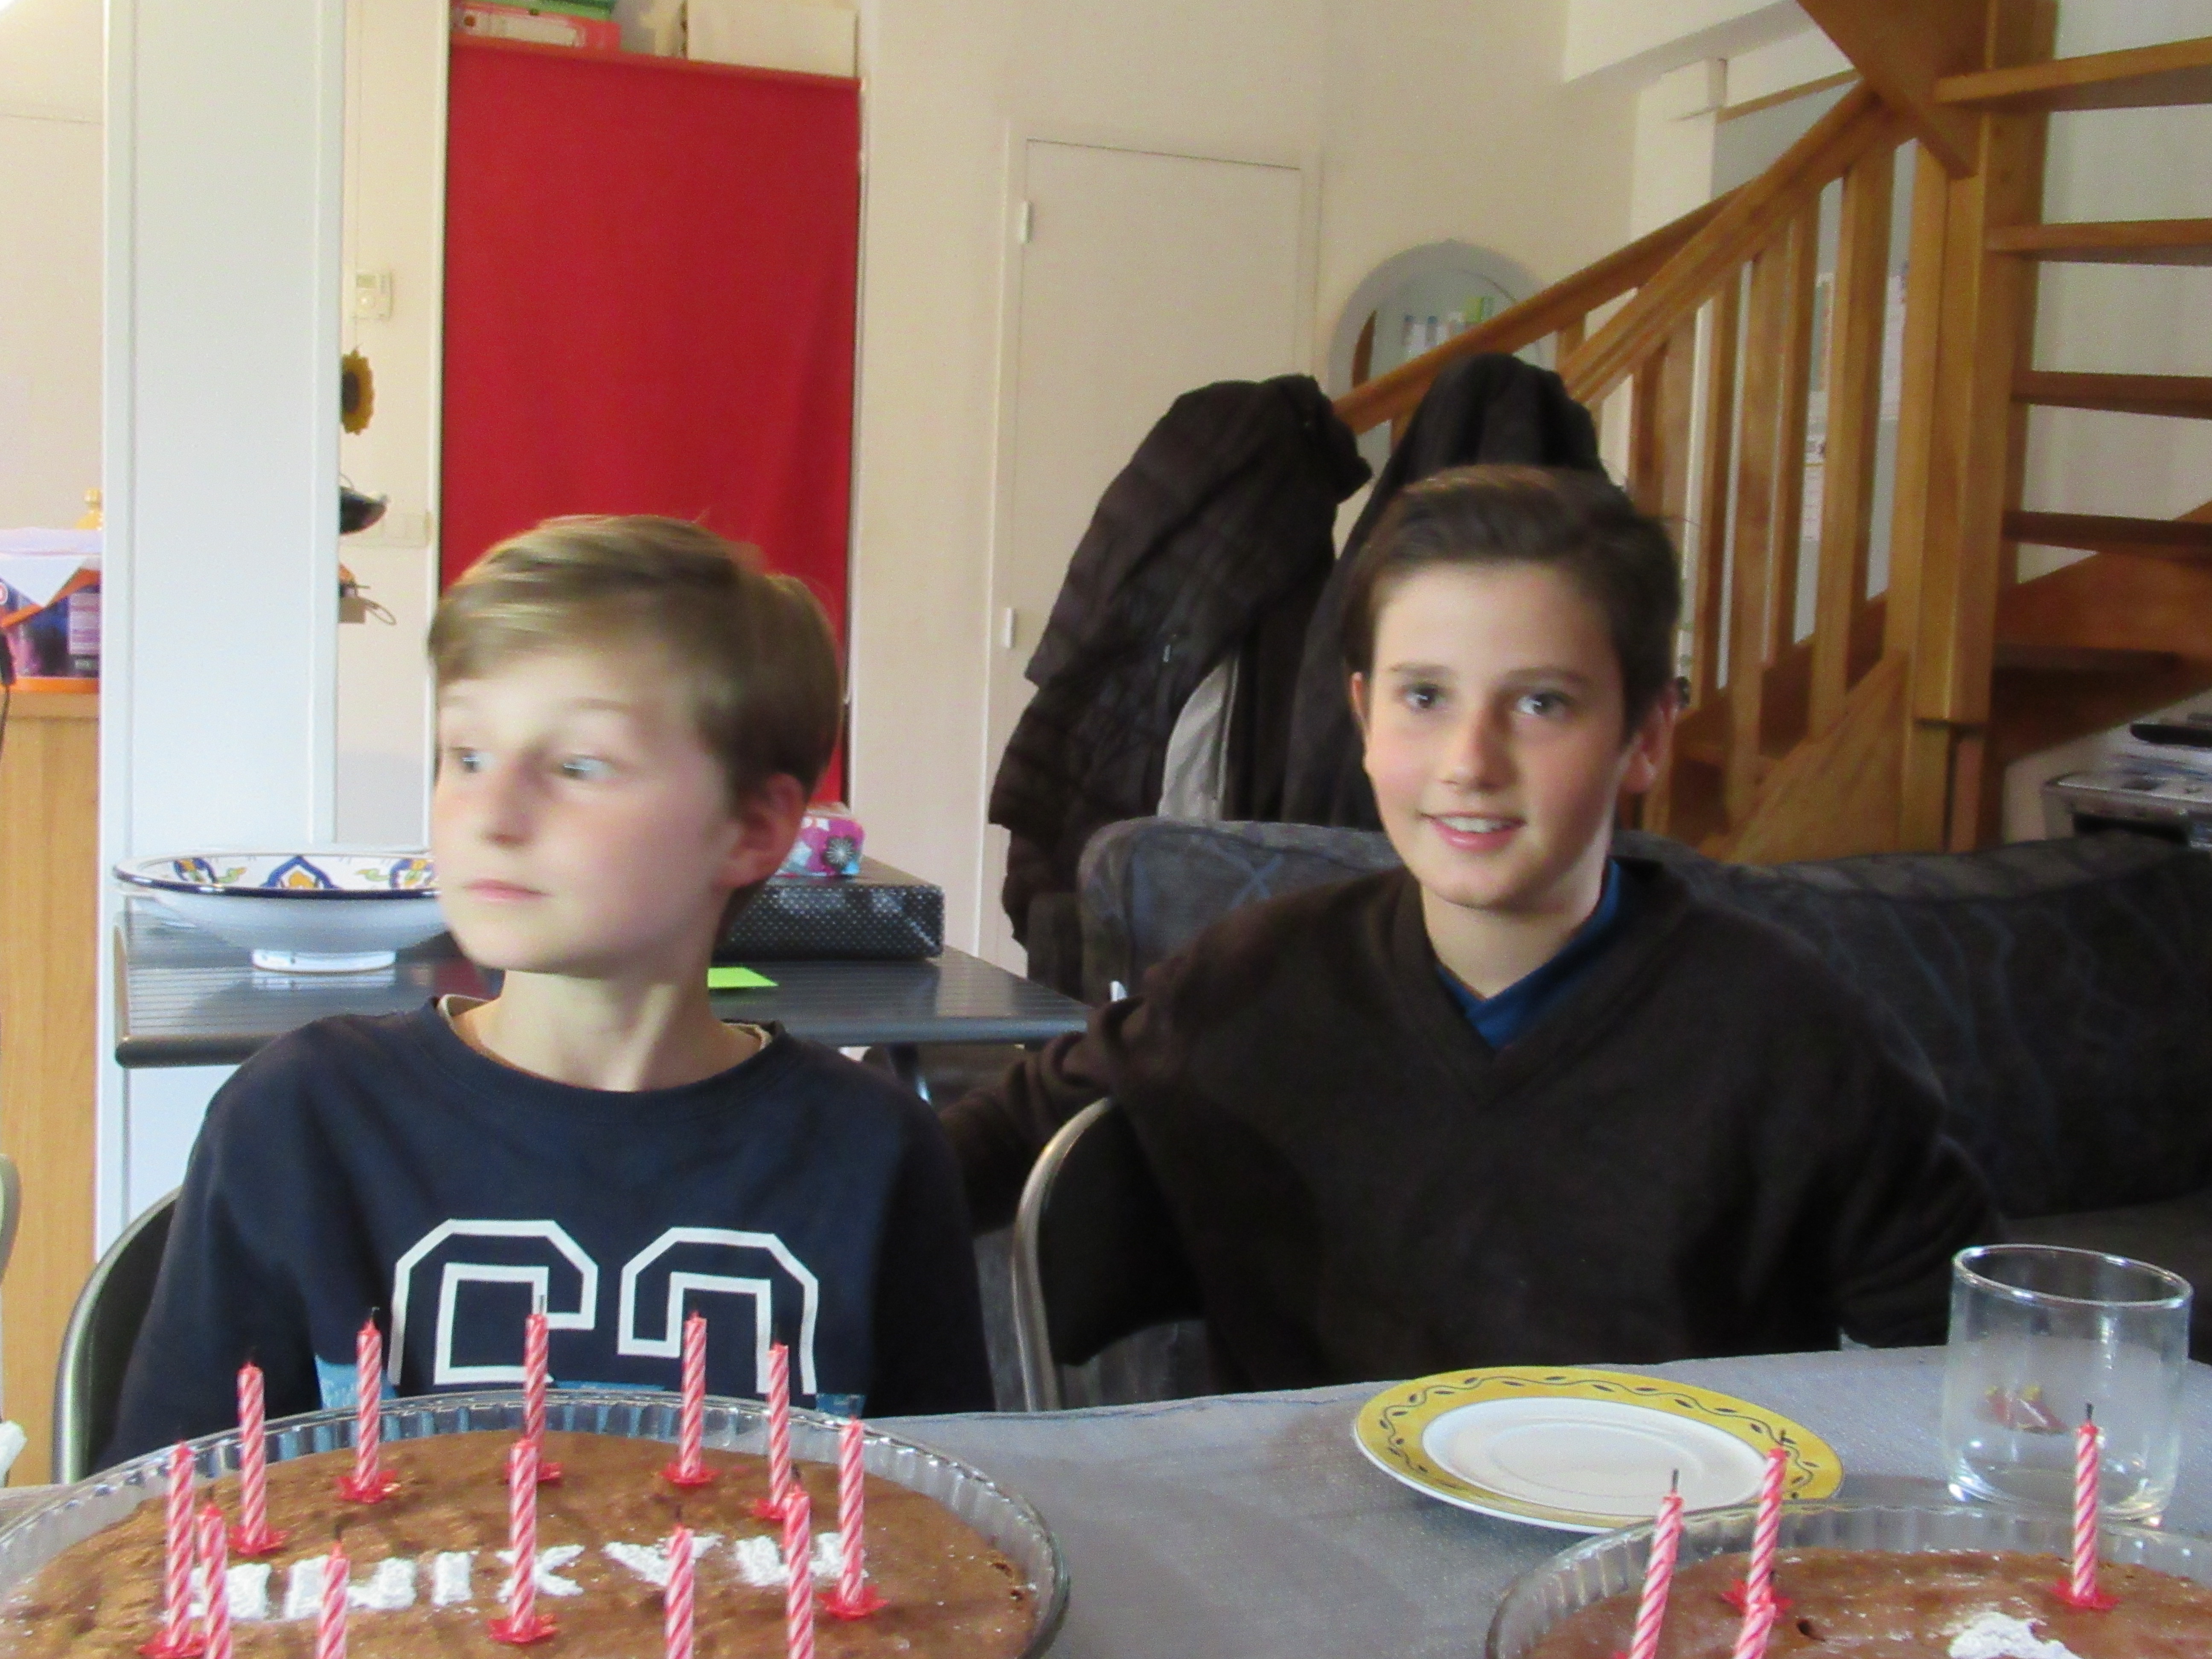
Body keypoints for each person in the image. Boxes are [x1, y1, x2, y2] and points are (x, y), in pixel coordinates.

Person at [945, 465, 1996, 1389]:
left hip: (1670, 1546)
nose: (1470, 762)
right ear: (1364, 718)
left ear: (1645, 736)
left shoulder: (1791, 1033)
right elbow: (967, 1154)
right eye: (1425, 698)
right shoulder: (1244, 987)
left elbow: (1973, 1358)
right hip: (1312, 1537)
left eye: (1540, 705)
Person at [110, 517, 992, 1461]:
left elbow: (948, 1521)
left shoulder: (877, 1158)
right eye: (467, 755)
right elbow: (163, 1519)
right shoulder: (299, 1123)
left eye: (579, 766)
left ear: (752, 827)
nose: (491, 815)